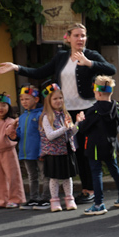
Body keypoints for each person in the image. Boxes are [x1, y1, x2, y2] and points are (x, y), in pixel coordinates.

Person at [0, 23, 117, 204]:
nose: (80, 39)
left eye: (83, 36)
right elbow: (39, 72)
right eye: (76, 35)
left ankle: (90, 189)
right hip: (66, 112)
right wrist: (16, 67)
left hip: (87, 110)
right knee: (74, 151)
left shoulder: (91, 55)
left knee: (87, 150)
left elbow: (111, 69)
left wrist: (89, 63)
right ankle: (81, 189)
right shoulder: (61, 57)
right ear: (68, 38)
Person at [75, 76, 119, 216]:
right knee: (114, 170)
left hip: (94, 146)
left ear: (98, 93)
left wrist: (80, 121)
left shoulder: (93, 110)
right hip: (111, 144)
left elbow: (83, 129)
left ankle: (99, 204)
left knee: (96, 173)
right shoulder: (117, 109)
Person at [38, 84, 79, 212]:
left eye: (60, 98)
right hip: (53, 152)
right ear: (48, 101)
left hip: (66, 150)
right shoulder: (46, 117)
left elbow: (70, 133)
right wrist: (65, 128)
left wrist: (77, 123)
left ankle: (69, 199)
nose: (58, 101)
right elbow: (50, 136)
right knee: (54, 178)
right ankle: (55, 200)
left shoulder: (65, 114)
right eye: (55, 99)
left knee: (67, 177)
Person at [14, 85, 49, 209]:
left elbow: (44, 135)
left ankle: (46, 198)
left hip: (40, 152)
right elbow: (19, 134)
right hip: (26, 152)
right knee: (32, 176)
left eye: (27, 99)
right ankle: (33, 198)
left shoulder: (41, 115)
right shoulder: (22, 117)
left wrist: (42, 151)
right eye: (22, 99)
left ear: (36, 99)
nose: (24, 102)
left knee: (45, 175)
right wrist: (13, 135)